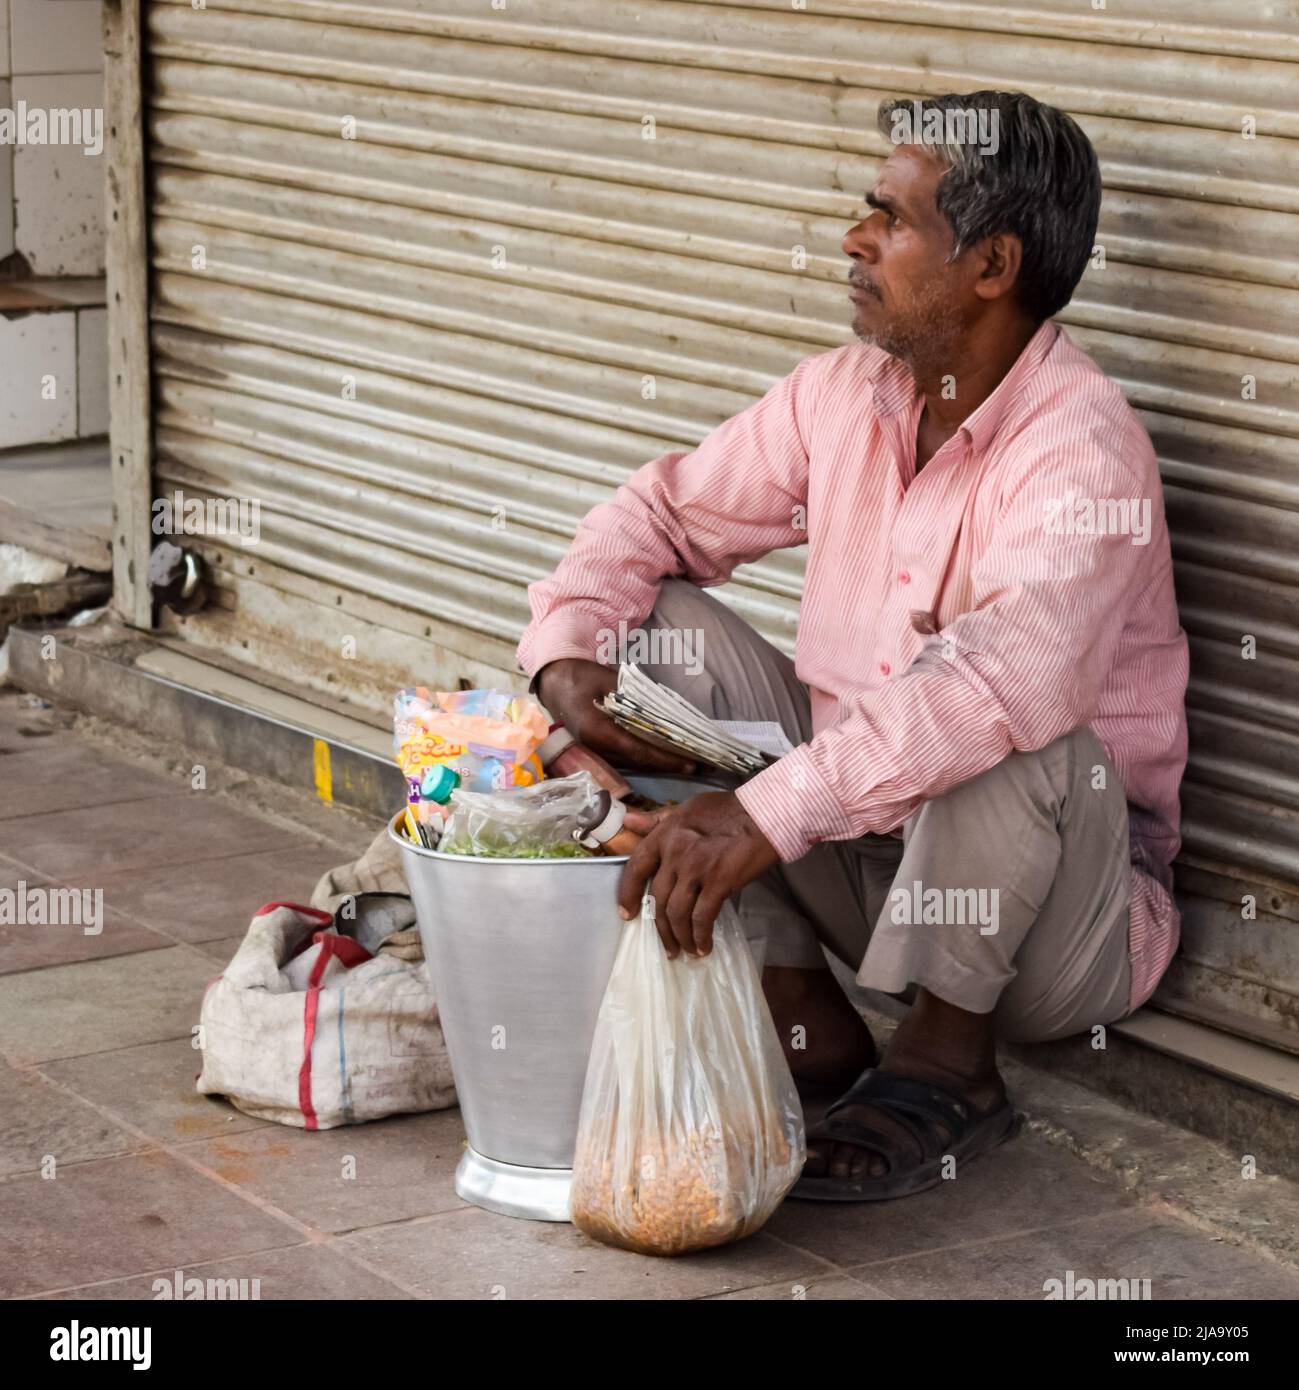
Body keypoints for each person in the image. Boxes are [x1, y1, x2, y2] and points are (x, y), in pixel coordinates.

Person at [518, 91, 1189, 1202]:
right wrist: (569, 667)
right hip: (871, 865)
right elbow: (660, 515)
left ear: (992, 265)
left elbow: (1003, 681)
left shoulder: (1082, 448)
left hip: (1054, 933)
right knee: (655, 635)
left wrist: (765, 811)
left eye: (891, 218)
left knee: (1013, 721)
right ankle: (803, 1005)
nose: (853, 238)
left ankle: (945, 1059)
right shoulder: (847, 394)